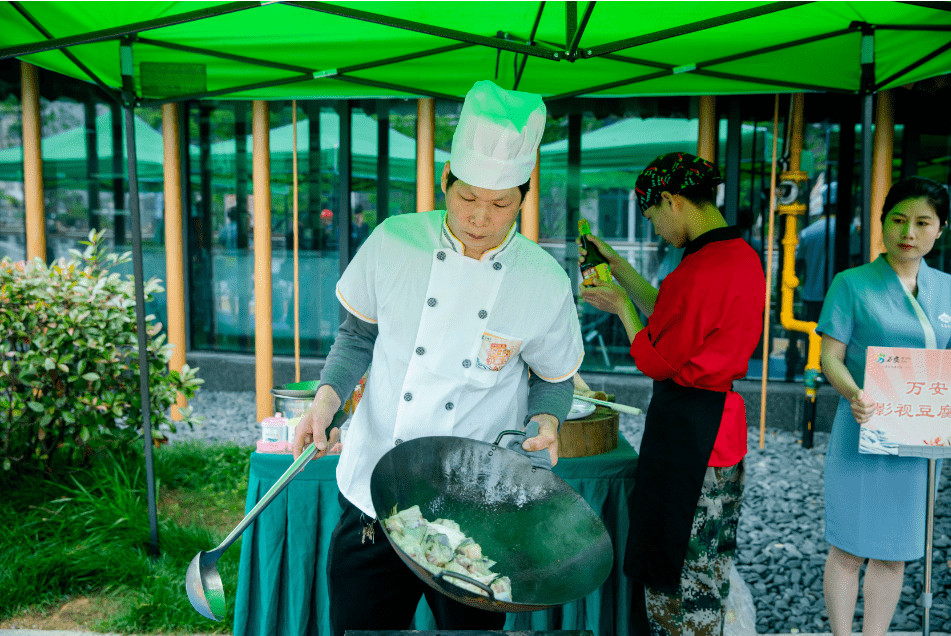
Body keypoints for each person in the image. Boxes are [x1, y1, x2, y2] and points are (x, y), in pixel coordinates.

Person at [292, 80, 584, 636]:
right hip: (376, 494)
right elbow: (356, 338)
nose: (480, 217)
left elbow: (554, 378)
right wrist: (325, 401)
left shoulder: (542, 281)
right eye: (467, 197)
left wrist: (547, 420)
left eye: (499, 204)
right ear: (445, 182)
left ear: (523, 197)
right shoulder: (393, 242)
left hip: (476, 505)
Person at [578, 152, 766, 636]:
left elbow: (656, 357)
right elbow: (672, 313)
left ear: (671, 200)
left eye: (652, 216)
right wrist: (618, 267)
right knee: (707, 561)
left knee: (680, 571)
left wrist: (620, 307)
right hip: (719, 425)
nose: (657, 229)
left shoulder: (700, 269)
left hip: (690, 434)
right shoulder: (739, 256)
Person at [817, 176, 951, 636]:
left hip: (919, 440)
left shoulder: (948, 289)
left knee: (895, 551)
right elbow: (829, 356)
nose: (908, 232)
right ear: (882, 224)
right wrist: (854, 393)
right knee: (848, 548)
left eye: (922, 222)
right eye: (897, 220)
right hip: (863, 428)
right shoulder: (851, 283)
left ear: (941, 229)